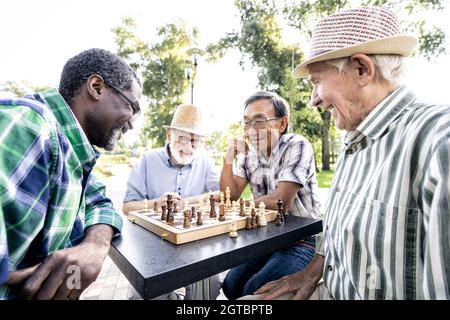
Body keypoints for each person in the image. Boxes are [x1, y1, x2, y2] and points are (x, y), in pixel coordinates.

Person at [253, 6, 450, 300]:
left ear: (361, 69)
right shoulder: (354, 140)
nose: (314, 100)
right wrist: (310, 273)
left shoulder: (437, 140)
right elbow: (337, 231)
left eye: (317, 81)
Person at [0, 48, 142, 299]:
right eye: (133, 106)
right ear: (97, 87)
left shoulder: (71, 155)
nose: (132, 123)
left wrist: (94, 246)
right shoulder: (31, 125)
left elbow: (99, 201)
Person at [220, 91, 321, 299]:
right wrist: (228, 158)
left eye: (259, 121)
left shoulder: (297, 145)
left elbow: (279, 202)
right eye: (247, 123)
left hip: (303, 239)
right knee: (231, 285)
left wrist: (239, 208)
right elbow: (229, 197)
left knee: (254, 289)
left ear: (281, 124)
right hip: (266, 238)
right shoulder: (248, 157)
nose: (251, 130)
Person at [123, 103, 221, 300]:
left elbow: (220, 195)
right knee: (143, 295)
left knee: (208, 290)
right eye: (182, 138)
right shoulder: (147, 160)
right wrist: (155, 204)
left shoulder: (206, 162)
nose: (188, 147)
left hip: (196, 244)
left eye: (195, 141)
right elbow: (127, 206)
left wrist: (186, 202)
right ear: (169, 136)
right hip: (154, 246)